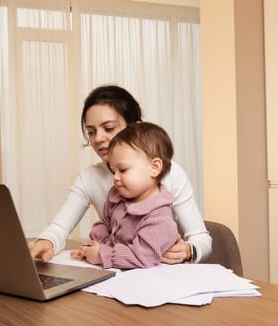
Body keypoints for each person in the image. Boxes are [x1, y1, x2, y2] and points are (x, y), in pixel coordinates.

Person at [29, 85, 211, 264]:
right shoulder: (90, 177)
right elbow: (60, 227)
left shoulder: (171, 173)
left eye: (108, 128)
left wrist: (189, 250)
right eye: (91, 132)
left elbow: (200, 238)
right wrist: (47, 240)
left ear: (136, 128)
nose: (98, 138)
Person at [70, 122, 180, 268]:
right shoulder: (117, 196)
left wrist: (101, 255)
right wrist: (93, 247)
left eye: (122, 170)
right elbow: (105, 224)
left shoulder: (160, 219)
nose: (115, 177)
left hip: (150, 282)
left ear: (154, 168)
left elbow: (141, 257)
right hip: (118, 274)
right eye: (113, 170)